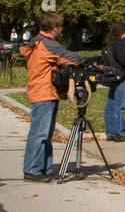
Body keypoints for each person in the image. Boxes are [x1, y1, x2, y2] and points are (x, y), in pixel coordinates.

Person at [20, 12, 82, 181]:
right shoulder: (48, 44)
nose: (61, 30)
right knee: (40, 133)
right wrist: (82, 60)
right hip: (44, 92)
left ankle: (43, 168)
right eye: (59, 27)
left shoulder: (38, 41)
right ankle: (33, 170)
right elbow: (70, 58)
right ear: (54, 28)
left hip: (41, 90)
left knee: (44, 133)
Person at [102, 21, 125, 142]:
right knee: (119, 105)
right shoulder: (120, 45)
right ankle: (119, 132)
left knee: (111, 104)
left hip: (112, 76)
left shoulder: (110, 44)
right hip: (122, 76)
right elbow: (124, 62)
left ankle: (110, 132)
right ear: (123, 32)